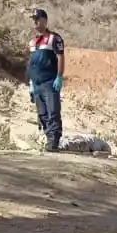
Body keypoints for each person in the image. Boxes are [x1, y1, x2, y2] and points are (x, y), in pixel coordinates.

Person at [27, 8, 65, 152]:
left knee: (52, 111)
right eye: (33, 19)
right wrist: (30, 82)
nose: (35, 22)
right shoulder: (33, 41)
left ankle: (54, 141)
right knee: (42, 113)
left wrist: (59, 77)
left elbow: (61, 57)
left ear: (44, 20)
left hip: (49, 81)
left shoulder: (54, 38)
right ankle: (48, 138)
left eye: (37, 19)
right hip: (36, 83)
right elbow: (31, 62)